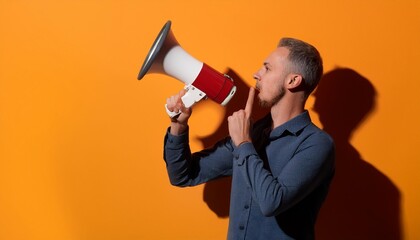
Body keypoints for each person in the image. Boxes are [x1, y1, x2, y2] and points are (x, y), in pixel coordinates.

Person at [163, 37, 335, 240]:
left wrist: (244, 144)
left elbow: (272, 202)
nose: (256, 74)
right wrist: (179, 126)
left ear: (293, 81)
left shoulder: (317, 144)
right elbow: (183, 175)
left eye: (267, 68)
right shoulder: (252, 133)